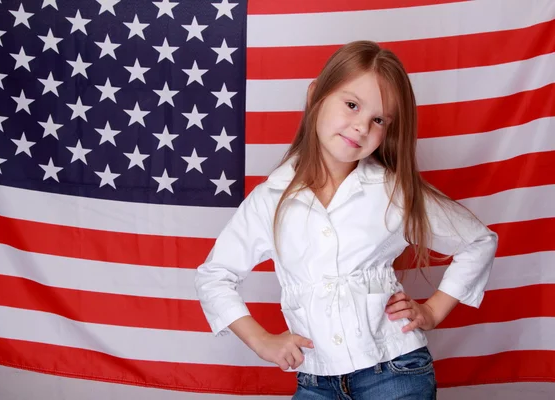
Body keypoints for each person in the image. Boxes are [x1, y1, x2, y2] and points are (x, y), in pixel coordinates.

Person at [194, 40, 498, 399]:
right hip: (315, 380)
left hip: (395, 372)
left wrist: (432, 310)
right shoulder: (270, 200)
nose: (360, 127)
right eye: (351, 105)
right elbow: (214, 275)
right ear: (315, 95)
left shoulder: (393, 191)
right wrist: (261, 341)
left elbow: (478, 241)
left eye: (379, 119)